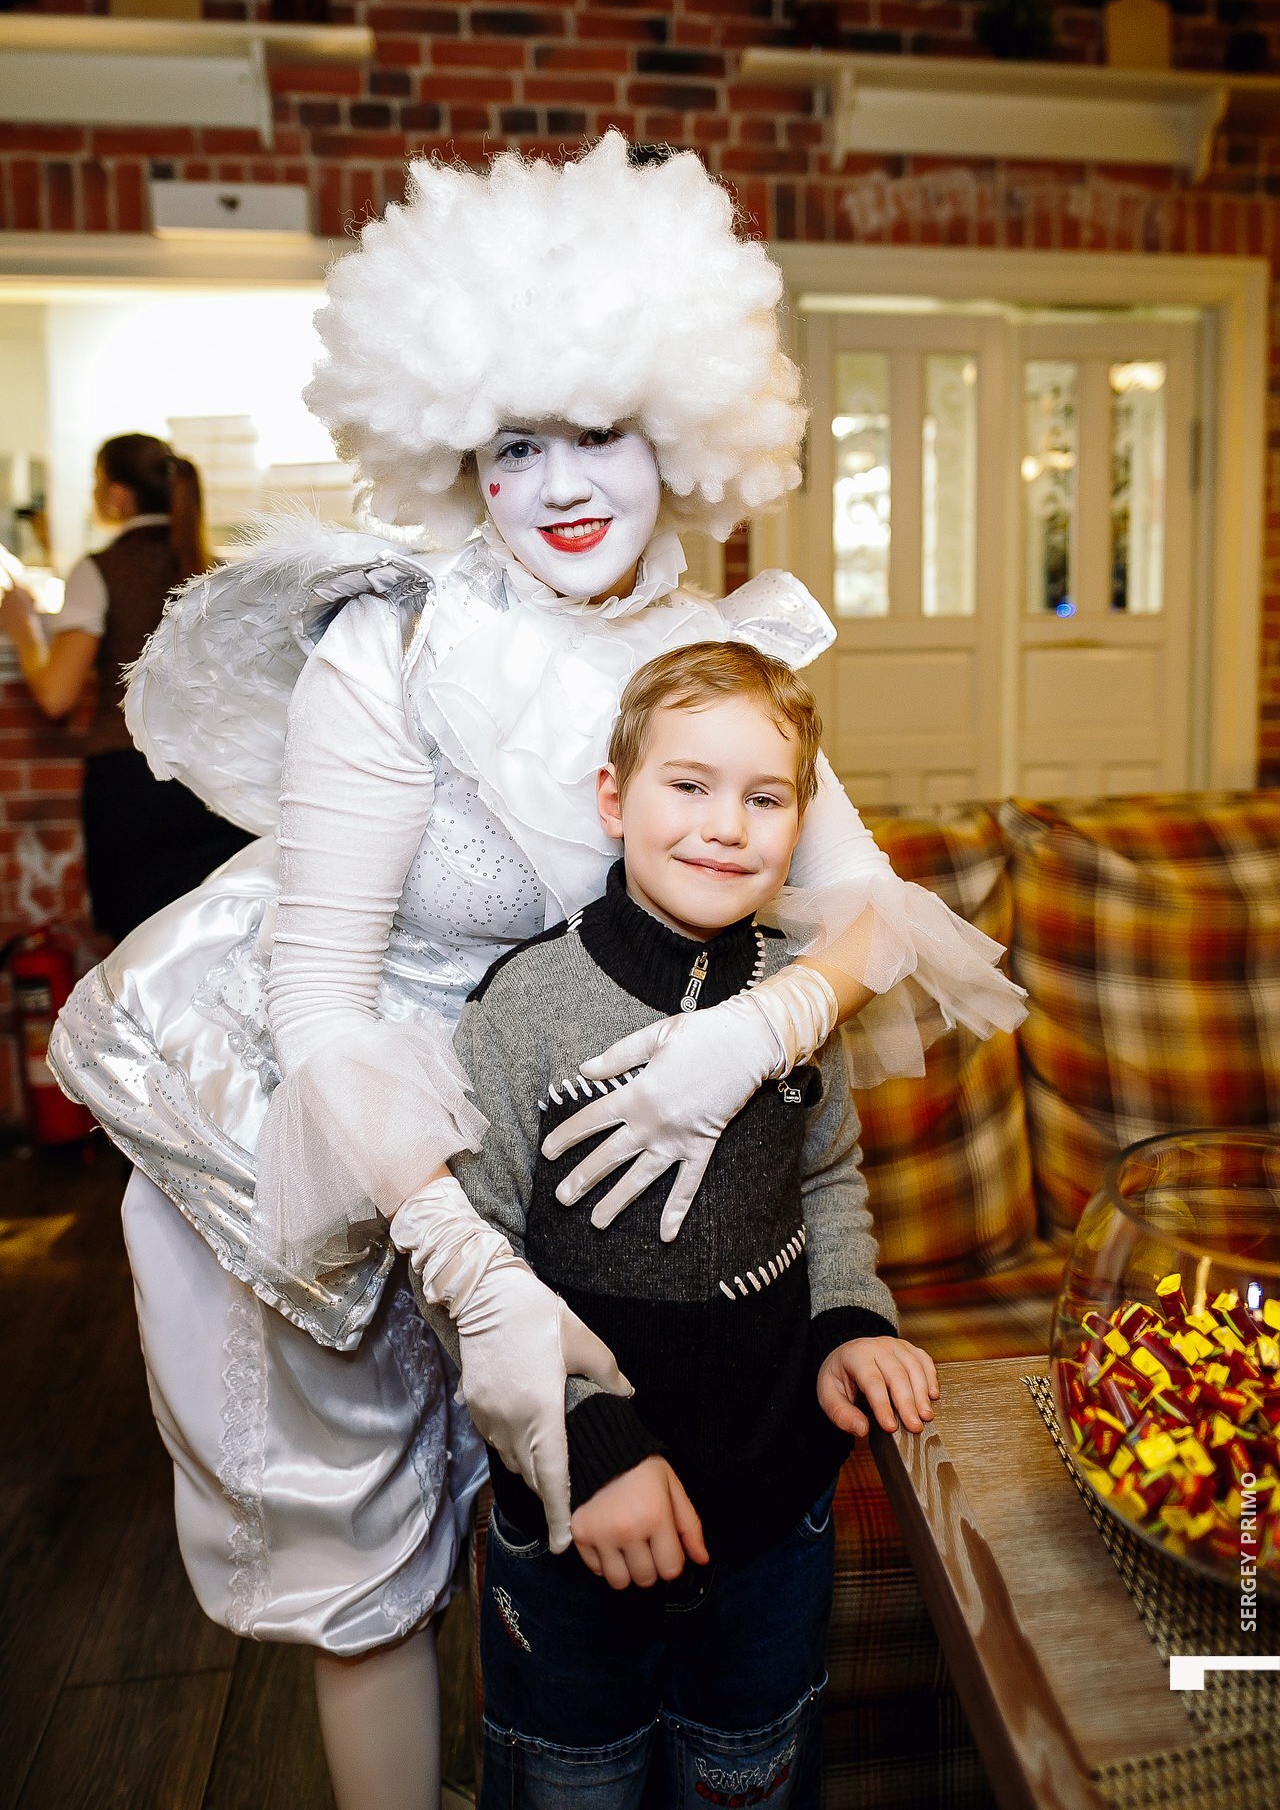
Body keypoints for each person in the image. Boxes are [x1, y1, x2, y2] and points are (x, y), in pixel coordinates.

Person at [47, 134, 1023, 1810]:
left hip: (574, 1098)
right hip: (338, 1117)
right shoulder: (398, 642)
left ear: (683, 439)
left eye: (603, 435)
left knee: (555, 1528)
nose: (564, 485)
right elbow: (319, 1001)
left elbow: (878, 914)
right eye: (516, 445)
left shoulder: (717, 657)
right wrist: (468, 1271)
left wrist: (763, 1031)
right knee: (375, 1564)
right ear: (459, 459)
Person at [412, 639, 938, 1808]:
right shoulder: (525, 1007)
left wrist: (850, 1321)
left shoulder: (802, 995)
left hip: (772, 1518)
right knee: (572, 1780)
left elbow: (826, 1179)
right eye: (687, 785)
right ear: (614, 799)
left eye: (763, 799)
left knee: (748, 1770)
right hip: (572, 1520)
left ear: (798, 822)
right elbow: (470, 1257)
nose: (723, 828)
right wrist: (587, 1447)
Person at [0, 434, 251, 941]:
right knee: (217, 946)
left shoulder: (99, 570)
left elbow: (56, 696)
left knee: (137, 950)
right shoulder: (220, 573)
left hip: (133, 789)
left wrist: (23, 626)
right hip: (219, 785)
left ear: (117, 495)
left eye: (96, 482)